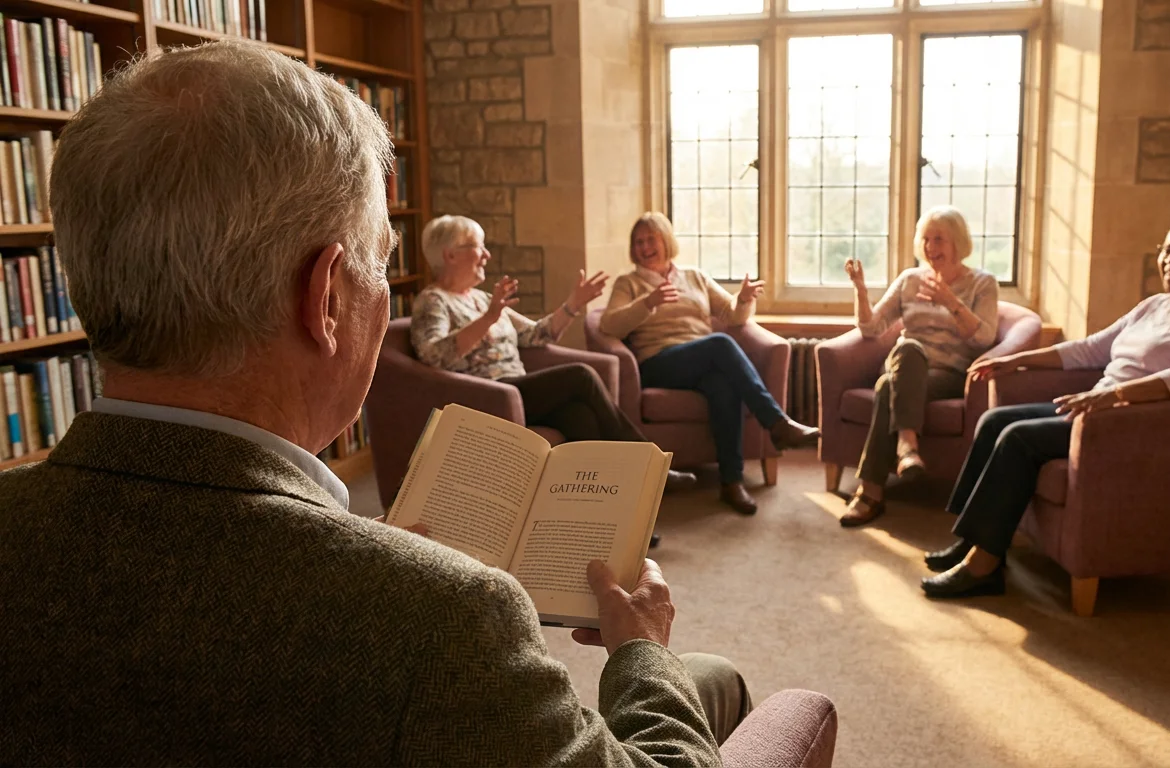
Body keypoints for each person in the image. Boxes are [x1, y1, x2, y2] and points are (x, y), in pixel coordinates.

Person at [0, 41, 752, 765]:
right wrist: (644, 651)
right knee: (709, 676)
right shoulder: (442, 616)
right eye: (379, 265)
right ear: (325, 297)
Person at [920, 213, 1170, 599]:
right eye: (1169, 250)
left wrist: (1114, 396)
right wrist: (1017, 360)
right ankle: (974, 540)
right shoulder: (1156, 305)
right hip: (1098, 409)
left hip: (1132, 422)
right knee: (994, 421)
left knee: (1019, 439)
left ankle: (983, 567)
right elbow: (1091, 348)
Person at [411, 214, 697, 503]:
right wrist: (488, 320)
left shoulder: (483, 299)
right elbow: (433, 355)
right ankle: (651, 464)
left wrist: (574, 304)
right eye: (478, 247)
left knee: (582, 420)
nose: (486, 255)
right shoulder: (433, 300)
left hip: (520, 392)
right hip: (489, 395)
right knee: (580, 375)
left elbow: (536, 335)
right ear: (450, 254)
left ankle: (622, 522)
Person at [599, 212, 820, 515]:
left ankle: (731, 482)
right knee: (720, 344)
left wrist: (742, 299)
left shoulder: (694, 276)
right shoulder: (629, 283)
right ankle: (776, 423)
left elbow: (731, 315)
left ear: (666, 240)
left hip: (698, 360)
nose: (645, 247)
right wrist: (648, 303)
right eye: (638, 242)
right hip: (657, 363)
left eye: (651, 239)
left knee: (723, 386)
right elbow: (609, 326)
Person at [840, 206, 999, 528]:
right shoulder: (910, 280)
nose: (930, 247)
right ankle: (907, 449)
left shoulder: (982, 284)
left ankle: (871, 492)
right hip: (906, 364)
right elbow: (871, 328)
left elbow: (984, 338)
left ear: (957, 242)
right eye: (926, 239)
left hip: (948, 373)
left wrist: (950, 302)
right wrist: (859, 290)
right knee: (908, 349)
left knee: (887, 386)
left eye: (938, 239)